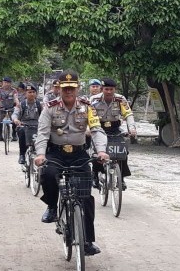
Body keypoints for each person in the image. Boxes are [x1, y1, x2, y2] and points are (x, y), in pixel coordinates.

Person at [34, 71, 109, 256]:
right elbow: (43, 133)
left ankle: (87, 241)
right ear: (59, 88)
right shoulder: (49, 108)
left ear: (77, 89)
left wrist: (100, 150)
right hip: (56, 153)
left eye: (72, 88)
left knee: (85, 197)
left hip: (79, 153)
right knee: (48, 174)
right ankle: (52, 206)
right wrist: (40, 155)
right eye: (65, 88)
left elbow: (97, 129)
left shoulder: (87, 107)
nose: (68, 91)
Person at [90, 78, 137, 190]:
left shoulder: (120, 99)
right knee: (96, 152)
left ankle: (121, 179)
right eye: (106, 89)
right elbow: (89, 116)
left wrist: (132, 128)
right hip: (98, 128)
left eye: (111, 89)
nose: (109, 92)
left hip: (115, 128)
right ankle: (95, 175)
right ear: (102, 89)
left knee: (123, 150)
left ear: (114, 89)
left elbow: (128, 114)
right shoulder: (94, 99)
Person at [12, 83, 42, 164]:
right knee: (21, 131)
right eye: (29, 92)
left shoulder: (40, 105)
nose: (31, 94)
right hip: (24, 125)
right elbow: (15, 114)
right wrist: (15, 120)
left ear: (36, 93)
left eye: (33, 92)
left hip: (37, 126)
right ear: (25, 94)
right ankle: (22, 155)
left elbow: (46, 116)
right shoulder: (21, 104)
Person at [0, 77, 20, 141]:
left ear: (10, 83)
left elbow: (16, 98)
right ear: (3, 83)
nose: (6, 84)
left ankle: (14, 134)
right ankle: (0, 135)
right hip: (2, 108)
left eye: (8, 83)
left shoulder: (14, 90)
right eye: (5, 82)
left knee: (15, 119)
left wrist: (18, 105)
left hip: (11, 108)